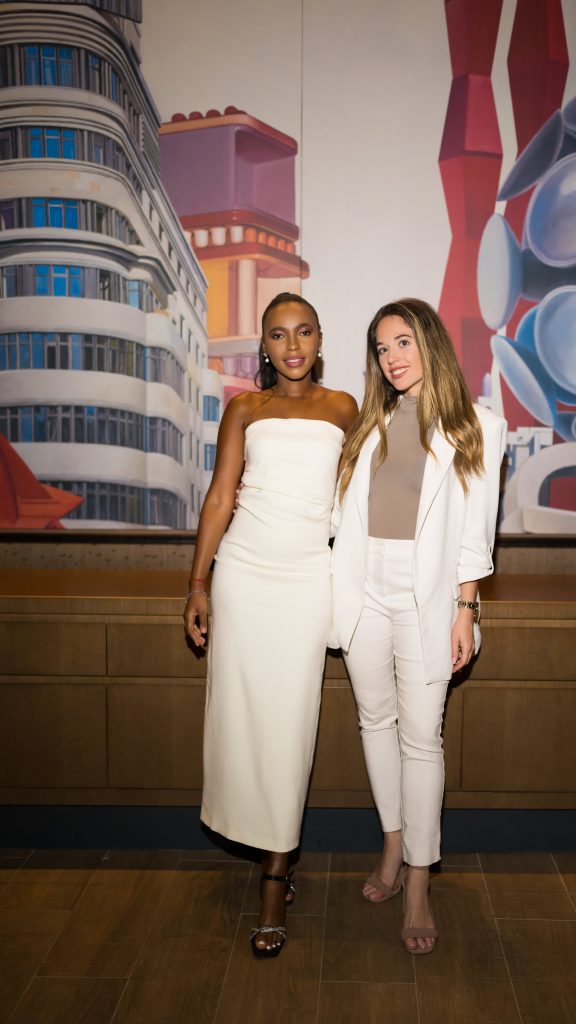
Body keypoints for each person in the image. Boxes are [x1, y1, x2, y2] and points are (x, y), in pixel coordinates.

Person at [183, 292, 357, 958]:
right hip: (244, 576)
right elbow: (220, 497)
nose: (292, 345)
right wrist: (198, 584)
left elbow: (359, 504)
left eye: (303, 332)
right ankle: (269, 858)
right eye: (278, 335)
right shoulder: (244, 409)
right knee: (240, 720)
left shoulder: (344, 408)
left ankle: (276, 876)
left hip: (308, 580)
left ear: (320, 339)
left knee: (292, 725)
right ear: (263, 346)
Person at [331, 298, 506, 955]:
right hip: (363, 590)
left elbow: (476, 534)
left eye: (402, 342)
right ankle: (391, 847)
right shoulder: (368, 425)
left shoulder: (479, 426)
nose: (392, 358)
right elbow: (340, 520)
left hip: (428, 593)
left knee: (421, 739)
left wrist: (466, 608)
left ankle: (419, 883)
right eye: (381, 348)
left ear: (429, 342)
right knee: (374, 723)